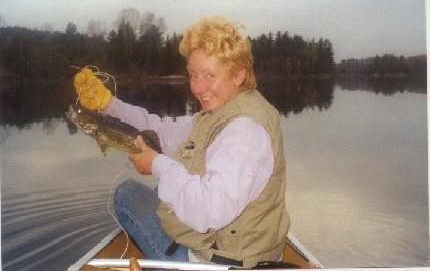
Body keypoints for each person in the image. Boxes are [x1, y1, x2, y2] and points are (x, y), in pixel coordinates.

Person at [73, 16, 290, 268]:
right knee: (163, 190)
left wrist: (157, 165)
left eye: (209, 75)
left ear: (238, 75)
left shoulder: (243, 131)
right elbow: (159, 132)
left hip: (218, 263)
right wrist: (108, 105)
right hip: (241, 250)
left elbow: (210, 211)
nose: (198, 88)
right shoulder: (226, 109)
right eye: (193, 75)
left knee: (127, 194)